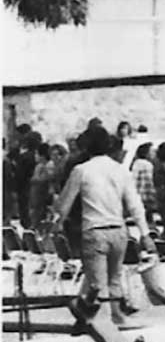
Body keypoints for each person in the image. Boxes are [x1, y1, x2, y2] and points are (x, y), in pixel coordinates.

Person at [54, 123, 151, 320]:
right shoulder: (121, 170)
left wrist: (57, 224)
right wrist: (145, 234)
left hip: (94, 230)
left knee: (98, 283)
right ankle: (117, 317)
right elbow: (135, 205)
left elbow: (64, 204)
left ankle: (104, 323)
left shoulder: (81, 171)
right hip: (119, 230)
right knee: (115, 278)